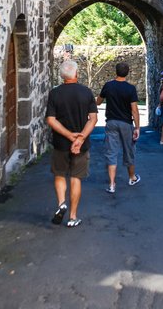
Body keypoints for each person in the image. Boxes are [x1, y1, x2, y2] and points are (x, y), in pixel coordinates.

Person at [45, 60, 98, 228]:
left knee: (60, 175)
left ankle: (62, 204)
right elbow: (93, 119)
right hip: (81, 146)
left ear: (62, 76)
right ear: (76, 74)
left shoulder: (55, 94)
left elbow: (51, 120)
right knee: (76, 178)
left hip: (61, 143)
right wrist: (79, 139)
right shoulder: (86, 92)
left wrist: (69, 136)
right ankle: (73, 216)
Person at [96, 62, 141, 193]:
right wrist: (137, 127)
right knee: (129, 151)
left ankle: (111, 184)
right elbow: (134, 110)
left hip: (111, 122)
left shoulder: (108, 86)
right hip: (126, 124)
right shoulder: (130, 89)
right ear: (127, 72)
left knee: (111, 152)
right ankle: (132, 178)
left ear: (116, 71)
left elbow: (98, 102)